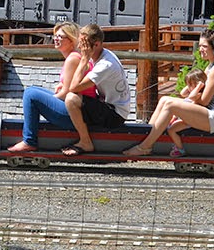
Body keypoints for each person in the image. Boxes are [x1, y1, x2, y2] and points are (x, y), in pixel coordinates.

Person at [8, 23, 131, 155]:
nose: (80, 47)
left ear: (96, 44)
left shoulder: (105, 64)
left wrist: (84, 59)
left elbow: (73, 88)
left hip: (114, 114)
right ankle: (29, 140)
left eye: (84, 44)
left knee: (34, 94)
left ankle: (32, 141)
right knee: (32, 90)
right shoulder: (98, 56)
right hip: (104, 106)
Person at [123, 30, 214, 157]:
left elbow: (205, 100)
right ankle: (148, 135)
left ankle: (145, 147)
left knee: (170, 105)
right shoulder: (211, 66)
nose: (200, 49)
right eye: (199, 46)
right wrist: (189, 97)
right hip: (208, 112)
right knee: (164, 100)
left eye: (204, 46)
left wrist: (190, 99)